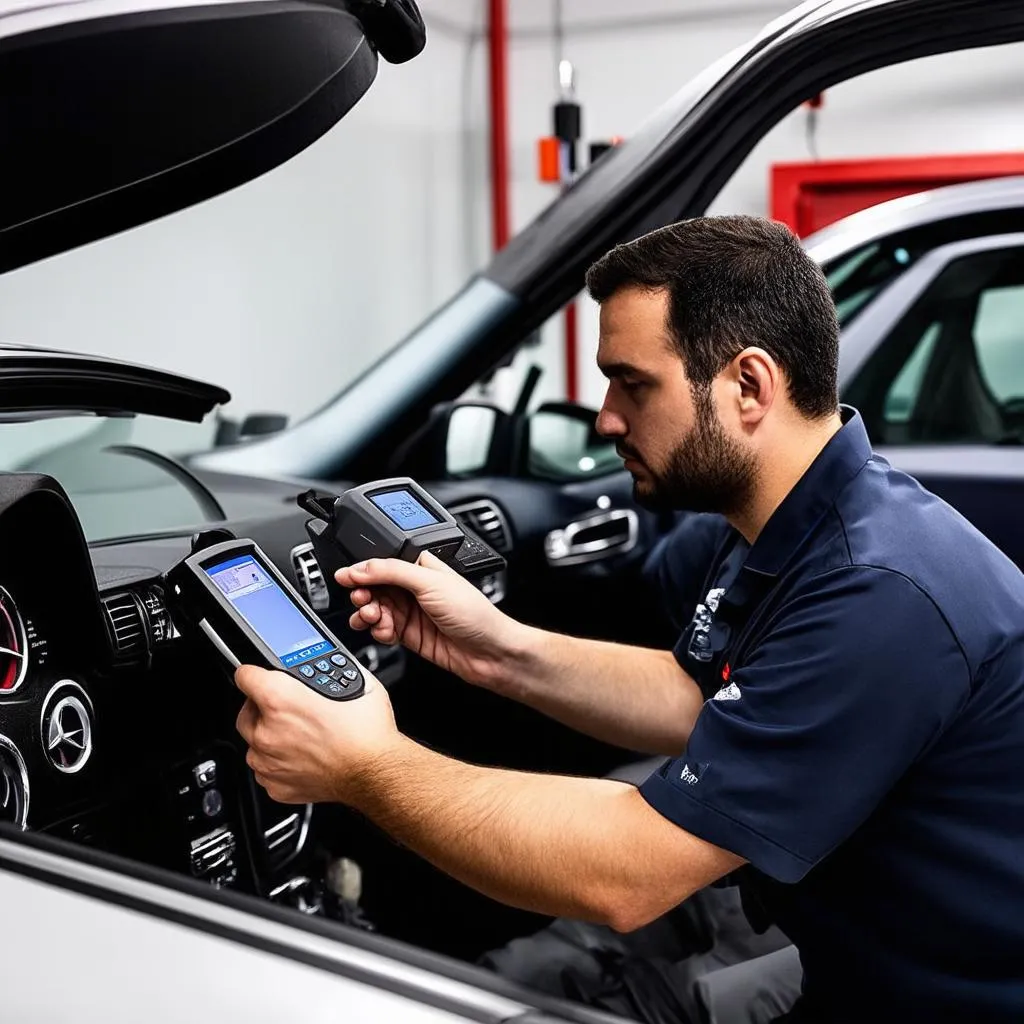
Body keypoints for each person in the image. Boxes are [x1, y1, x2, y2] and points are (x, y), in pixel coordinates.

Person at [234, 215, 1024, 1023]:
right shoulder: (798, 520)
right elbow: (696, 698)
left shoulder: (879, 591)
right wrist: (498, 649)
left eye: (632, 383)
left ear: (748, 387)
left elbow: (629, 875)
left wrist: (365, 765)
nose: (606, 418)